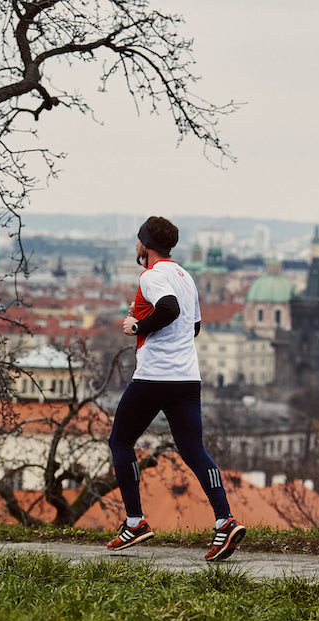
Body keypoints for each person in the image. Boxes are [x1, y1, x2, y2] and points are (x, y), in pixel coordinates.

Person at [106, 216, 245, 562]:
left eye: (138, 240)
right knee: (193, 449)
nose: (136, 245)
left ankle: (135, 521)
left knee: (121, 441)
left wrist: (137, 324)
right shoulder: (186, 276)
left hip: (155, 375)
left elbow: (169, 309)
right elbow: (192, 325)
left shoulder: (152, 275)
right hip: (187, 377)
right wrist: (151, 322)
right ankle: (224, 520)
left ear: (146, 245)